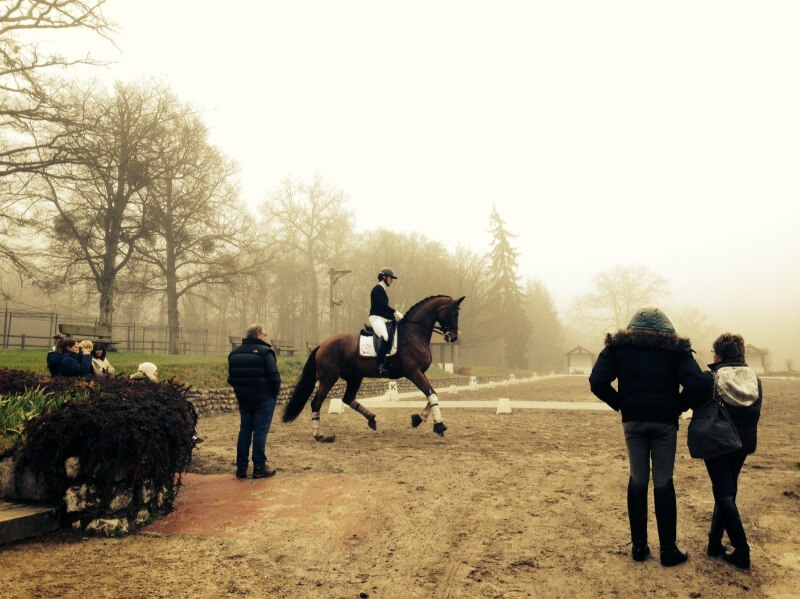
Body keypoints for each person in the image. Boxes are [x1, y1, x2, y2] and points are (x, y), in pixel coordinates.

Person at [589, 305, 709, 567]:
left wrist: (622, 403)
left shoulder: (618, 347)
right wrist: (678, 405)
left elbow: (596, 381)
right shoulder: (675, 349)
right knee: (664, 481)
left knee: (638, 478)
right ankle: (668, 550)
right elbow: (698, 385)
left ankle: (639, 548)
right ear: (667, 329)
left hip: (633, 421)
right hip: (665, 423)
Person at [698, 333, 762, 569]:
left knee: (723, 493)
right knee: (727, 490)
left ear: (720, 354)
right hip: (743, 443)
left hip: (717, 440)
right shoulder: (754, 378)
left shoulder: (712, 377)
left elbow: (695, 399)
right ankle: (714, 543)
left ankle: (742, 549)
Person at [228, 323, 281, 479]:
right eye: (264, 334)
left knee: (245, 430)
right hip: (263, 399)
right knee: (260, 431)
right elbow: (274, 377)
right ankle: (259, 467)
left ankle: (241, 468)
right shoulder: (266, 353)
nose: (265, 336)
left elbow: (231, 378)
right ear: (258, 334)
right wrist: (274, 395)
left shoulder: (234, 354)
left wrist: (240, 393)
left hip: (244, 399)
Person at [130, 362, 204, 444]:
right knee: (183, 412)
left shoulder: (131, 383)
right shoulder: (151, 385)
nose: (157, 373)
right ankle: (192, 436)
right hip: (155, 414)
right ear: (149, 372)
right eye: (155, 371)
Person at [369, 267, 403, 375]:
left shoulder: (383, 290)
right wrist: (394, 312)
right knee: (385, 336)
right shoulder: (377, 289)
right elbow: (382, 306)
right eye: (391, 278)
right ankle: (379, 365)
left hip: (381, 317)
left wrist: (393, 316)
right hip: (376, 318)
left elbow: (383, 309)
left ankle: (390, 360)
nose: (392, 280)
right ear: (384, 277)